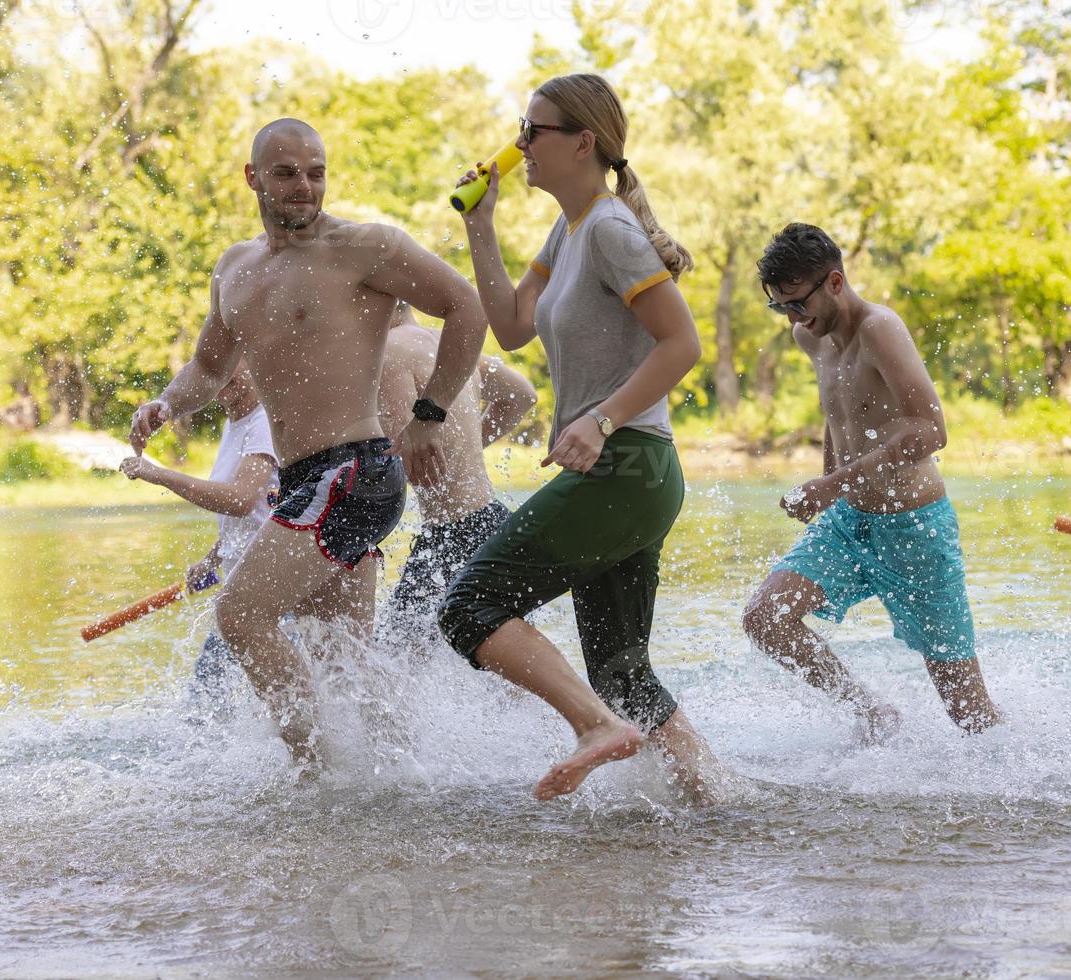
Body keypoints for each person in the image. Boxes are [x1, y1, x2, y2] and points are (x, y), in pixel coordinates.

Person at [128, 118, 490, 765]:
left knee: (240, 618)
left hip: (355, 471)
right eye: (287, 172)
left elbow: (467, 305)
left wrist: (428, 418)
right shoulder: (234, 269)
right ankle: (411, 775)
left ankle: (312, 773)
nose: (304, 186)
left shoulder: (365, 247)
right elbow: (209, 370)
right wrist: (165, 403)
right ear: (253, 178)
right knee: (340, 656)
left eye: (316, 172)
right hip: (305, 483)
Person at [444, 73, 724, 801]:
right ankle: (717, 805)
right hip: (631, 476)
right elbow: (509, 324)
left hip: (627, 466)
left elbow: (682, 342)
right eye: (521, 127)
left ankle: (597, 730)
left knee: (469, 607)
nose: (520, 143)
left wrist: (599, 422)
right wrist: (481, 225)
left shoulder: (608, 229)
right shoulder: (567, 229)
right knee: (622, 672)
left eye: (533, 129)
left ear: (583, 142)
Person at [741, 223, 999, 739]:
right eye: (781, 307)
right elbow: (836, 414)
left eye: (797, 303)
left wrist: (831, 486)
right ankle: (871, 710)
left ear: (834, 282)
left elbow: (931, 429)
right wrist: (826, 484)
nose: (792, 317)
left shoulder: (880, 328)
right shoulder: (808, 336)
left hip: (916, 531)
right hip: (850, 523)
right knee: (766, 617)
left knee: (969, 714)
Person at [376, 301, 537, 633]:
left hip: (453, 534)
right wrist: (467, 444)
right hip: (493, 524)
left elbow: (398, 451)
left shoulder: (391, 352)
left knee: (399, 659)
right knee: (504, 666)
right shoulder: (446, 344)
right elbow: (522, 395)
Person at [119, 361, 278, 690]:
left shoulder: (265, 420)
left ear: (254, 356)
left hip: (272, 591)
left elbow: (242, 499)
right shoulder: (235, 423)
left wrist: (158, 474)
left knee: (217, 697)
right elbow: (257, 516)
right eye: (217, 366)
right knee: (206, 699)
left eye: (233, 362)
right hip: (241, 588)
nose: (223, 373)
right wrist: (213, 558)